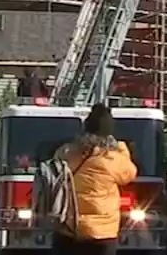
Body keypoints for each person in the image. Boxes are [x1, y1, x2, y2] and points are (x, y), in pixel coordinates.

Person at [54, 103, 137, 255]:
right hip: (102, 232)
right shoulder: (111, 158)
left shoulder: (67, 151)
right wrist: (122, 147)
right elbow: (130, 174)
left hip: (69, 228)